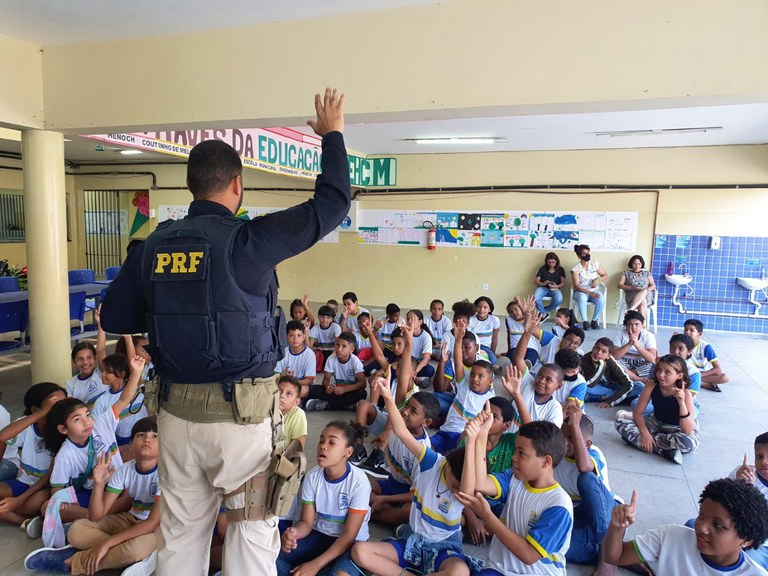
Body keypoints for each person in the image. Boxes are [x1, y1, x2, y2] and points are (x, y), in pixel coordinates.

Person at [99, 88, 351, 575]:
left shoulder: (151, 246)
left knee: (180, 539)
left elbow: (114, 319)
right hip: (240, 420)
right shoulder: (249, 240)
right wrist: (332, 134)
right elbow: (331, 203)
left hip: (173, 417)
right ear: (236, 185)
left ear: (192, 186)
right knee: (251, 537)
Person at [350, 377, 476, 576]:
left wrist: (475, 440)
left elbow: (467, 489)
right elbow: (400, 430)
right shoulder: (431, 461)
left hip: (444, 548)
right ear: (447, 465)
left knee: (460, 572)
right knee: (360, 552)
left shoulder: (464, 488)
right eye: (454, 484)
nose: (456, 492)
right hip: (413, 541)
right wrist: (387, 396)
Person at [24, 416, 161, 575]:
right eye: (140, 435)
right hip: (129, 519)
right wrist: (99, 483)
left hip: (156, 528)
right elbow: (96, 516)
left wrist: (106, 543)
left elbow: (151, 524)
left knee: (134, 549)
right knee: (77, 530)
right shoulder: (125, 470)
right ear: (131, 446)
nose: (147, 440)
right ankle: (119, 559)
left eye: (154, 436)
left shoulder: (165, 474)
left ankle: (72, 561)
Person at [457, 419, 573, 576]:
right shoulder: (515, 478)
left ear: (546, 462)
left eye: (521, 453)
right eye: (515, 451)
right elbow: (478, 484)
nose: (514, 457)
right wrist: (477, 439)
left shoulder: (558, 504)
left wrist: (487, 516)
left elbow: (529, 555)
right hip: (499, 568)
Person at [602, 479, 768, 575]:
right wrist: (617, 528)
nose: (702, 527)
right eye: (701, 515)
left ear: (746, 540)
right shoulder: (670, 537)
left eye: (717, 525)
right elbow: (615, 557)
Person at [277, 422, 369, 576]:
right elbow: (306, 523)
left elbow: (348, 536)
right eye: (321, 440)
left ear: (348, 452)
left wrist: (314, 565)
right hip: (319, 536)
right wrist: (294, 534)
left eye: (332, 442)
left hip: (349, 543)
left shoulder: (359, 482)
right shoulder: (313, 477)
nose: (323, 446)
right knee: (268, 557)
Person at [555, 405, 620, 574]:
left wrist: (575, 426)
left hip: (606, 514)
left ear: (588, 444)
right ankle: (618, 553)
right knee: (552, 544)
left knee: (586, 479)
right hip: (578, 517)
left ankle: (607, 557)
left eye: (571, 438)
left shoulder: (593, 454)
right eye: (562, 437)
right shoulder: (556, 454)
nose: (564, 443)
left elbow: (585, 467)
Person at [0, 383, 66, 533]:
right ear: (36, 410)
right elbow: (3, 437)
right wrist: (41, 413)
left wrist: (17, 501)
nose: (61, 409)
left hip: (47, 486)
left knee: (28, 506)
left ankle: (28, 516)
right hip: (24, 482)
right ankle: (26, 521)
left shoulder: (63, 429)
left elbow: (48, 477)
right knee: (11, 506)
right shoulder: (27, 425)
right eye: (54, 405)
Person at [614, 354, 698, 464]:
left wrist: (681, 403)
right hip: (655, 423)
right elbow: (638, 413)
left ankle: (647, 443)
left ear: (679, 375)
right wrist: (645, 434)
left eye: (667, 372)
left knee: (688, 443)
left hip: (676, 429)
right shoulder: (652, 385)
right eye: (659, 370)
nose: (661, 375)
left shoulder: (686, 393)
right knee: (619, 422)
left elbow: (687, 430)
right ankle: (665, 451)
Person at [431, 325, 495, 454]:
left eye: (480, 377)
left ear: (490, 381)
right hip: (445, 432)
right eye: (472, 375)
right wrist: (458, 339)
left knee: (453, 461)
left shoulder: (489, 400)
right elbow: (458, 362)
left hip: (464, 436)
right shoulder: (464, 383)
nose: (475, 379)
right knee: (426, 450)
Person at [730, 432, 768, 570]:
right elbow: (720, 505)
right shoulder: (743, 473)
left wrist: (751, 491)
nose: (764, 462)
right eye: (759, 456)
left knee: (747, 563)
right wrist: (739, 485)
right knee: (692, 527)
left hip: (761, 544)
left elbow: (760, 522)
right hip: (732, 532)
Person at [306, 332, 366, 412]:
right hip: (336, 391)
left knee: (362, 393)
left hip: (350, 392)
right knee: (312, 389)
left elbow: (363, 383)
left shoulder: (355, 361)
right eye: (337, 345)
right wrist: (328, 387)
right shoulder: (331, 359)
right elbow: (325, 380)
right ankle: (347, 405)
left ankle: (327, 405)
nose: (339, 349)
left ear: (351, 349)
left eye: (344, 346)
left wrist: (345, 389)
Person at [582, 337, 642, 408]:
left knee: (640, 386)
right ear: (593, 348)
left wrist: (610, 402)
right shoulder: (586, 359)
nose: (599, 352)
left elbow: (628, 384)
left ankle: (607, 397)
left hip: (614, 386)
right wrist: (600, 365)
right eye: (597, 348)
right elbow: (587, 383)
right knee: (582, 388)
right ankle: (620, 397)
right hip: (598, 387)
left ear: (609, 355)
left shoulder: (611, 362)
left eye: (603, 351)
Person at [683, 318, 730, 392]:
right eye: (685, 330)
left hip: (702, 374)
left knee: (724, 378)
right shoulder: (681, 344)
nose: (687, 332)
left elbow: (718, 369)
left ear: (699, 334)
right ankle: (703, 384)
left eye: (691, 330)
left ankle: (697, 382)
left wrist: (699, 375)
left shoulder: (705, 347)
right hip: (686, 373)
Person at [274, 320, 317, 398]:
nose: (295, 339)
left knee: (305, 390)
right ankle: (293, 402)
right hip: (285, 385)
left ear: (304, 337)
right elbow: (276, 374)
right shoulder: (282, 352)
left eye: (299, 335)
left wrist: (294, 381)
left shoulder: (309, 354)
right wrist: (283, 375)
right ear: (286, 337)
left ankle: (288, 402)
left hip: (300, 384)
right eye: (291, 335)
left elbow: (309, 380)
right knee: (274, 389)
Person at [570, 244, 608, 331]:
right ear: (579, 255)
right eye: (584, 253)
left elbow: (605, 275)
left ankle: (594, 320)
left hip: (594, 290)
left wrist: (598, 280)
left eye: (588, 253)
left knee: (601, 298)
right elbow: (577, 285)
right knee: (582, 297)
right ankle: (585, 321)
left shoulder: (595, 264)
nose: (587, 255)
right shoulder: (575, 269)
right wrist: (589, 293)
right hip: (580, 292)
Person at [611, 310, 657, 379]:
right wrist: (630, 343)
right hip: (624, 361)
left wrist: (636, 344)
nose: (633, 327)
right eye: (630, 324)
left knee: (654, 365)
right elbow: (614, 356)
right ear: (626, 326)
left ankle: (626, 374)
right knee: (612, 362)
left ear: (642, 325)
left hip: (641, 362)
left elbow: (653, 359)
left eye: (637, 324)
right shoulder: (620, 334)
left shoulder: (648, 336)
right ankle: (638, 379)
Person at [66, 343, 107, 409]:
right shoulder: (70, 383)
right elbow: (70, 408)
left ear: (95, 359)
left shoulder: (102, 373)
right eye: (80, 359)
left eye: (89, 357)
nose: (85, 362)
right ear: (74, 362)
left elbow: (101, 350)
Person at [617, 254, 656, 319]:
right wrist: (631, 288)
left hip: (646, 295)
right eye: (635, 264)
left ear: (642, 264)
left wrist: (646, 290)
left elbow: (653, 285)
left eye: (639, 264)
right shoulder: (626, 273)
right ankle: (642, 326)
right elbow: (619, 285)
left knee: (644, 293)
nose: (637, 266)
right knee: (643, 302)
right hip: (632, 296)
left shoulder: (647, 273)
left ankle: (630, 310)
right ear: (631, 264)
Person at [309, 305, 342, 373]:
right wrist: (306, 331)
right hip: (321, 352)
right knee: (314, 355)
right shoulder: (315, 329)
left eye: (328, 317)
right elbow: (309, 347)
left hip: (333, 351)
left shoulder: (336, 327)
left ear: (332, 319)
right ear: (318, 317)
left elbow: (338, 345)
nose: (324, 320)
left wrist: (331, 358)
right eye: (322, 317)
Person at [534, 252, 566, 318]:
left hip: (555, 289)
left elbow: (563, 282)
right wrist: (543, 283)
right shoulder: (543, 268)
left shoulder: (560, 269)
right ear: (546, 262)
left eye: (553, 262)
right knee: (536, 298)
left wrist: (556, 286)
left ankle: (545, 311)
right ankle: (543, 313)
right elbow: (536, 281)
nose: (551, 264)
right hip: (543, 288)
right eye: (549, 262)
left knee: (559, 299)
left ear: (556, 261)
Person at [469, 296, 500, 364]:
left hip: (485, 347)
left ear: (490, 309)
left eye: (485, 307)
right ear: (475, 308)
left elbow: (495, 337)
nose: (481, 310)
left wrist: (493, 352)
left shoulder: (494, 320)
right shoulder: (471, 320)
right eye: (479, 307)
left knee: (493, 360)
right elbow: (467, 337)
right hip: (472, 345)